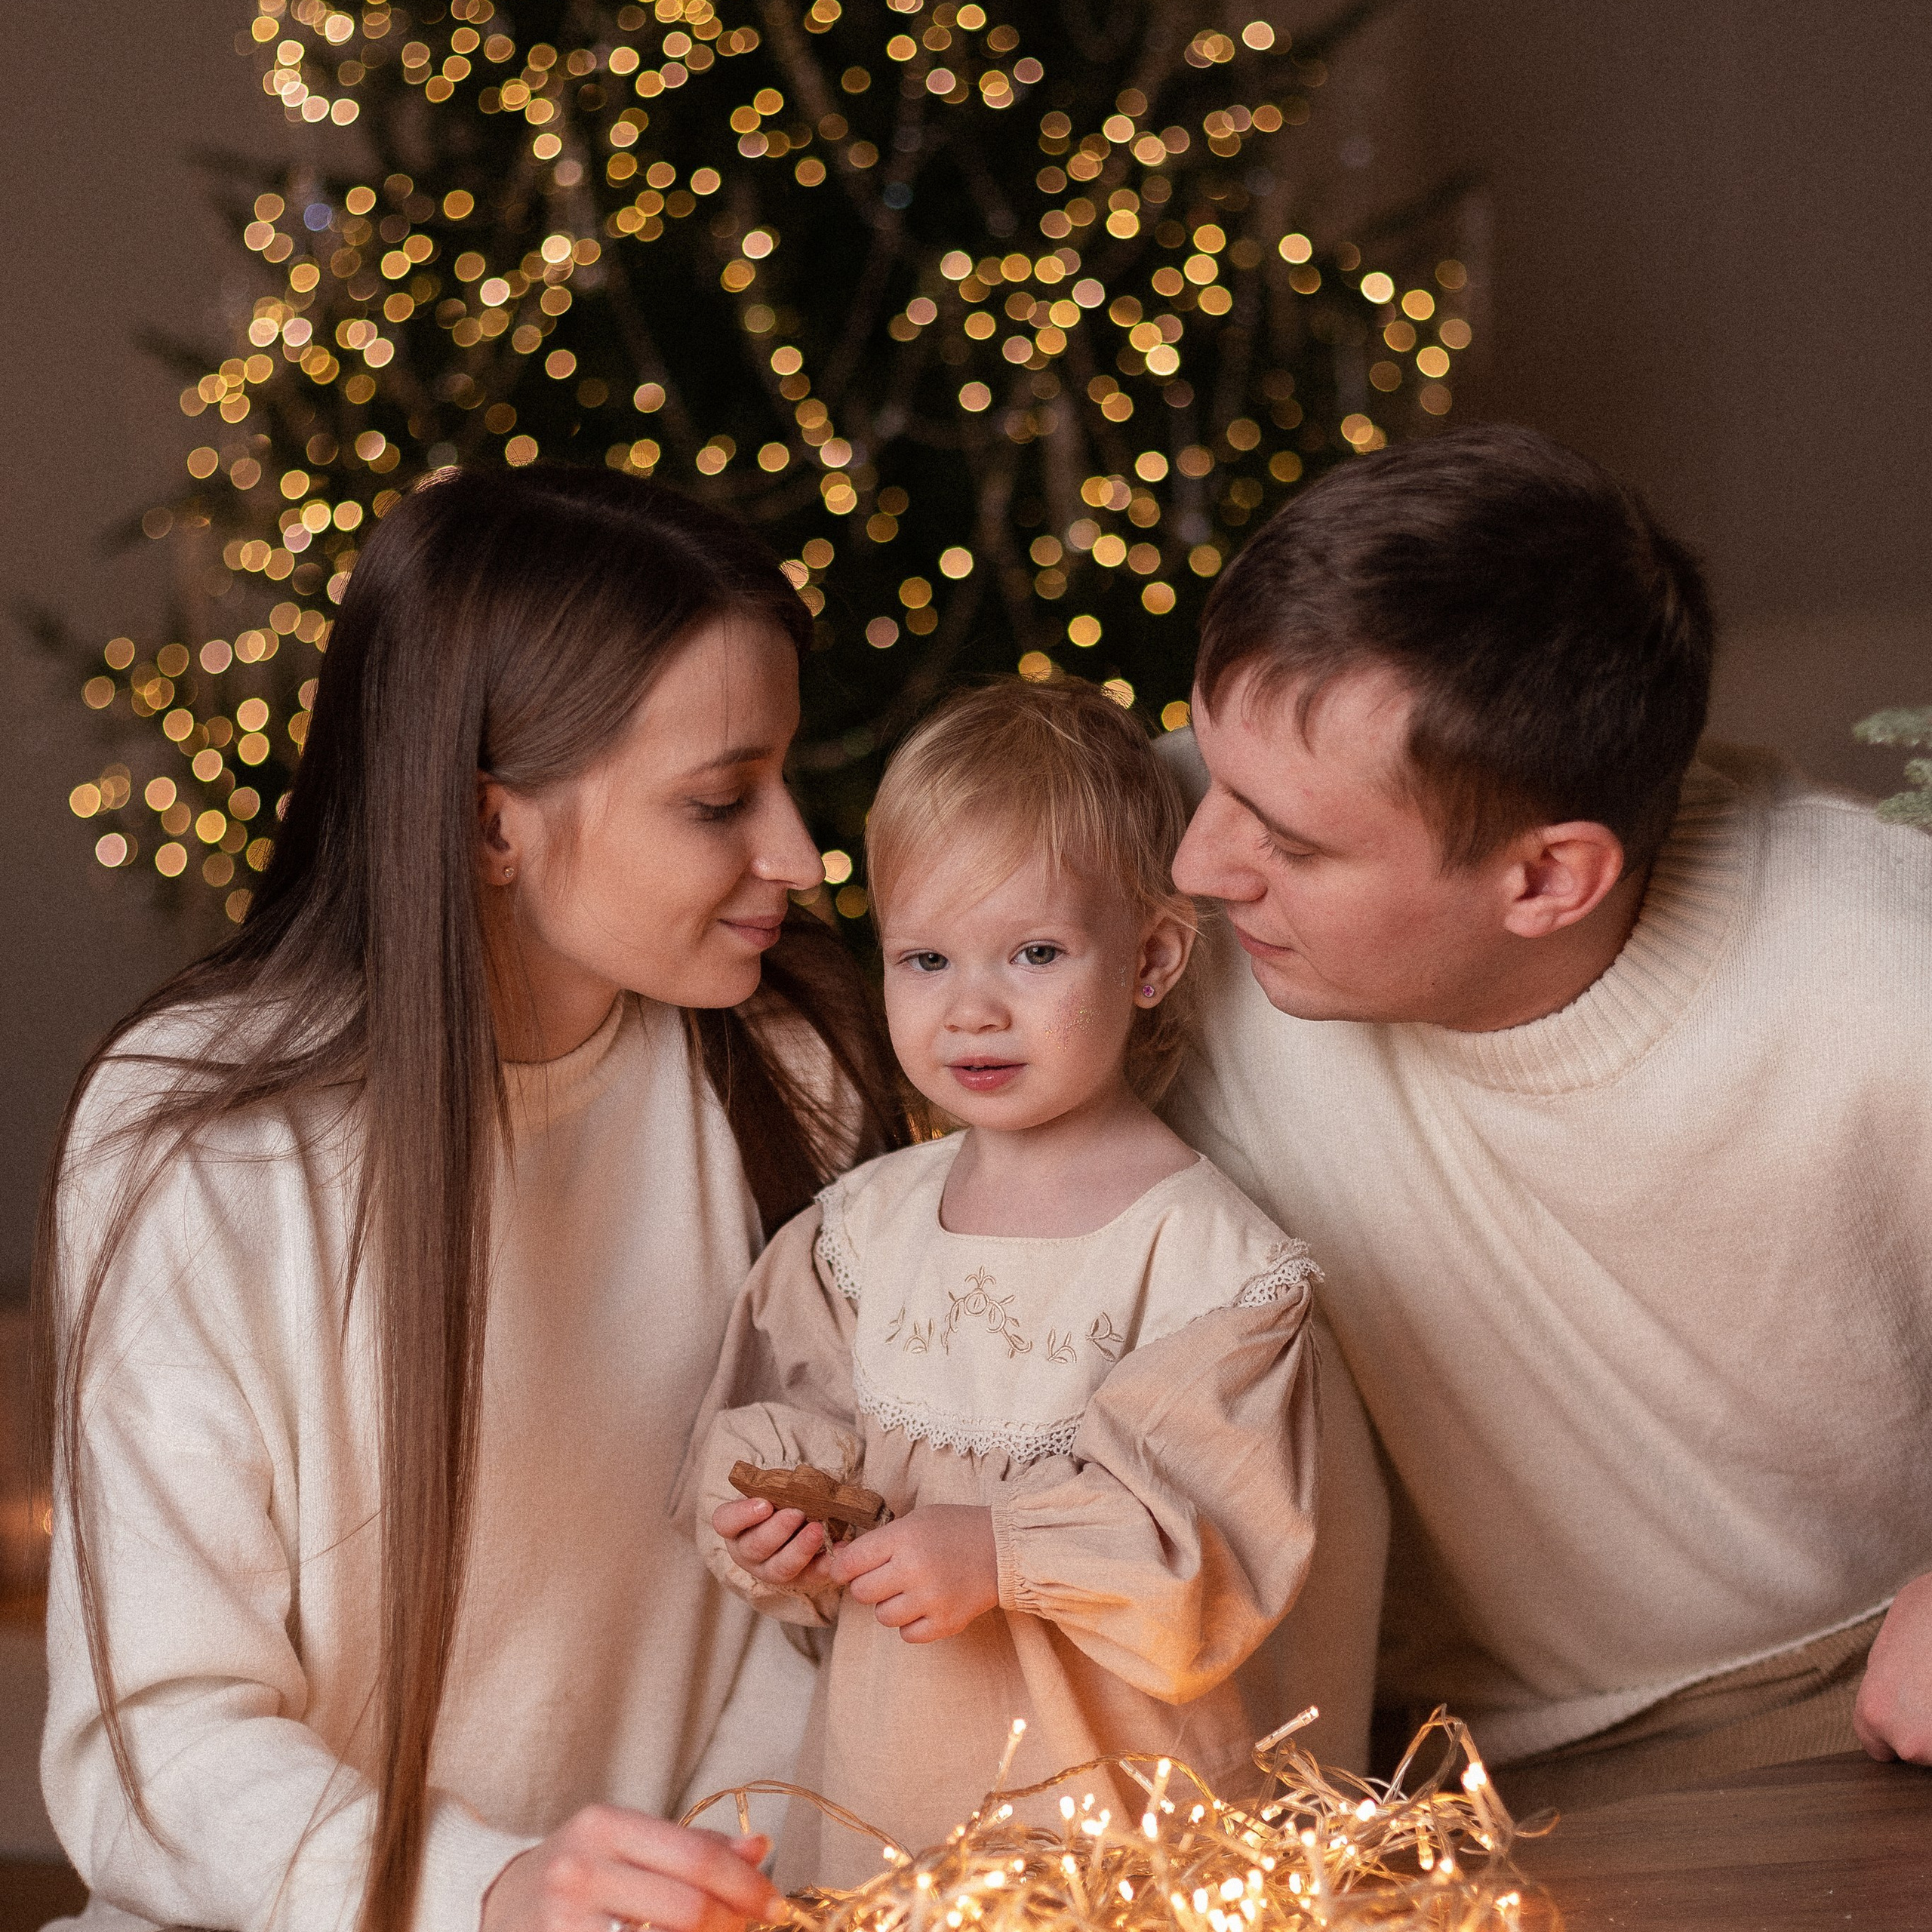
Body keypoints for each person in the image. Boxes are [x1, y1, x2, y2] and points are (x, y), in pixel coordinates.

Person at [34, 466, 909, 1932]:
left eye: (781, 778)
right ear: (492, 825)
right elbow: (155, 1742)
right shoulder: (202, 1134)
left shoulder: (793, 1060)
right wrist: (483, 1892)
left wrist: (688, 1884)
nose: (796, 855)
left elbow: (824, 1609)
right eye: (718, 800)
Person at [1158, 423, 1932, 1814]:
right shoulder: (1160, 851)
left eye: (1289, 841)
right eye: (1211, 773)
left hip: (1822, 1709)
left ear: (1548, 880)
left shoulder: (1879, 973)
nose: (1195, 861)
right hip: (1362, 1763)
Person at [681, 680, 1385, 1889]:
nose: (973, 1009)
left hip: (1118, 1821)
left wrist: (1005, 1551)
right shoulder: (862, 1236)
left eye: (1036, 953)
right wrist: (779, 1515)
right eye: (926, 958)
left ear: (1152, 956)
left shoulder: (1207, 1266)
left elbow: (1210, 1558)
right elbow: (778, 1424)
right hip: (892, 1804)